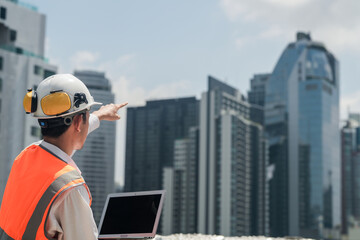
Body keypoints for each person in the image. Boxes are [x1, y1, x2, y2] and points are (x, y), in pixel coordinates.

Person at [0, 74, 127, 240]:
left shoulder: (26, 156)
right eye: (87, 116)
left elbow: (65, 143)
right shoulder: (69, 188)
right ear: (77, 122)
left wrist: (99, 115)